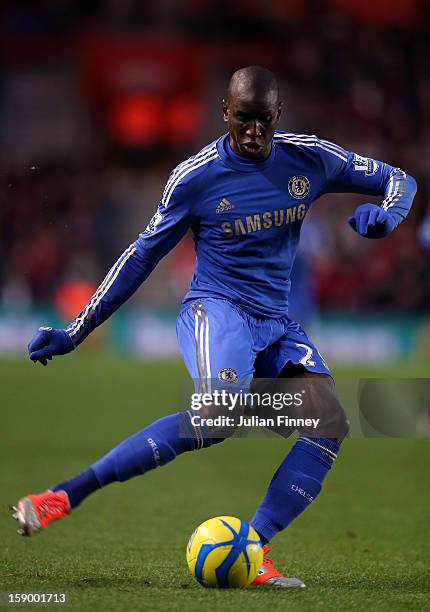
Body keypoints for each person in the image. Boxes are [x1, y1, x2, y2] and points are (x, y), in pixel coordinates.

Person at [13, 66, 416, 588]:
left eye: (264, 121)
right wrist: (77, 329)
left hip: (276, 320)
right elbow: (140, 257)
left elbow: (398, 180)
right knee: (218, 417)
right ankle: (63, 496)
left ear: (278, 116)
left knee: (329, 420)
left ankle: (253, 550)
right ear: (224, 113)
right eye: (243, 119)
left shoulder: (309, 158)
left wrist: (388, 214)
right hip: (216, 309)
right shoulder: (196, 178)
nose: (254, 132)